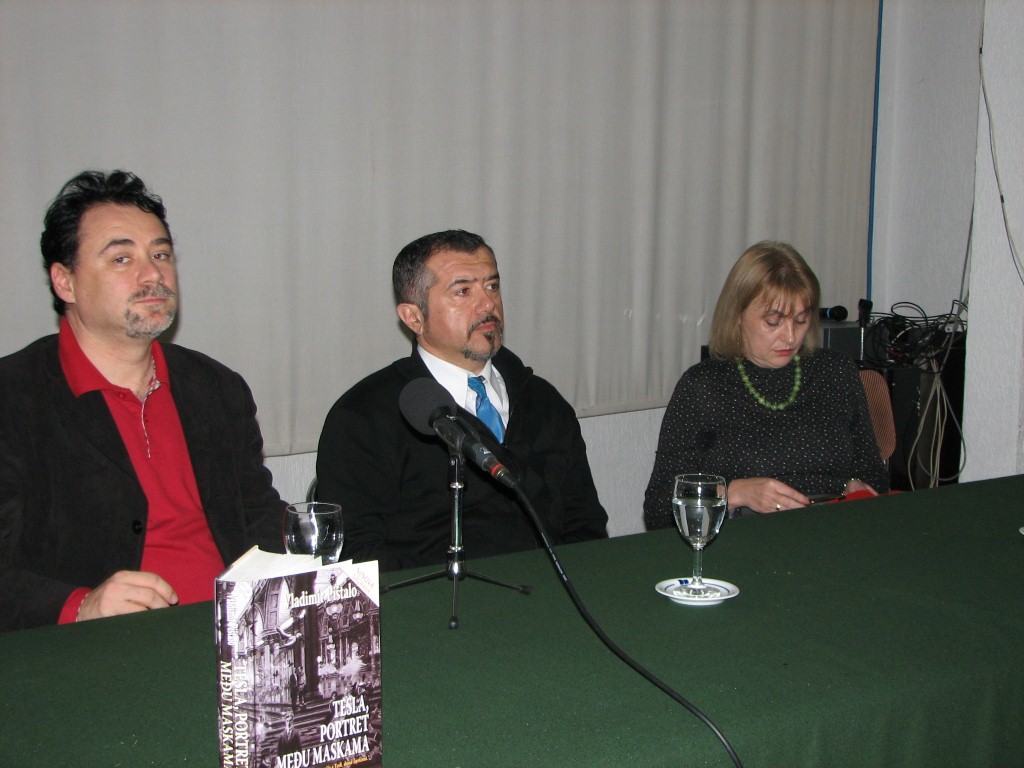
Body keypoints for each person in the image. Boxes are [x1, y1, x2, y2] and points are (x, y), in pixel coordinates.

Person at [0, 170, 285, 632]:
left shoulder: (215, 387)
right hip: (96, 648)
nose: (152, 274)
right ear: (65, 282)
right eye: (121, 258)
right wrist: (79, 606)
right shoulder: (15, 398)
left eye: (160, 254)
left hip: (236, 632)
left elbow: (258, 517)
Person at [316, 230, 607, 571]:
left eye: (492, 286)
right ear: (414, 317)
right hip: (436, 598)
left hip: (554, 593)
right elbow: (358, 557)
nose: (488, 305)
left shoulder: (542, 401)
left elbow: (585, 525)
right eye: (463, 291)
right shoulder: (364, 416)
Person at [643, 241, 889, 526]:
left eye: (801, 320)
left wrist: (857, 485)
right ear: (737, 316)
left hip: (832, 529)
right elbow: (658, 508)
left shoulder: (836, 372)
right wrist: (733, 493)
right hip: (747, 537)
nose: (790, 337)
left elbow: (874, 472)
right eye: (774, 322)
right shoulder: (703, 386)